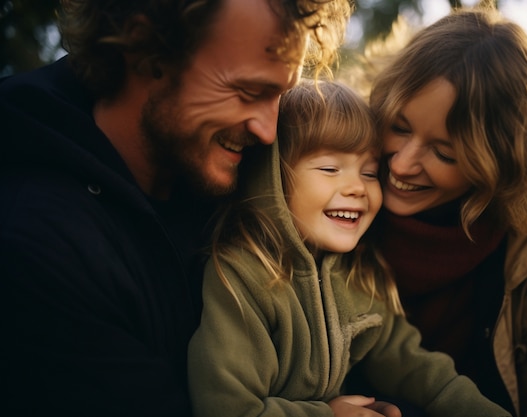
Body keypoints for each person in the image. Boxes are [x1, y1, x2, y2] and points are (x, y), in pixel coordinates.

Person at [0, 0, 352, 415]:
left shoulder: (243, 175)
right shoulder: (36, 245)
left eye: (279, 95)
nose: (268, 130)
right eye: (247, 92)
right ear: (147, 49)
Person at [346, 6, 527, 417]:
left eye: (444, 152)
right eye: (399, 127)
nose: (402, 164)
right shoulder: (327, 182)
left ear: (499, 162)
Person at [187, 80, 511, 417]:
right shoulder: (243, 275)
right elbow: (227, 408)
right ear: (273, 178)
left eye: (370, 173)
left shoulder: (358, 275)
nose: (357, 187)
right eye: (330, 169)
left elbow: (415, 368)